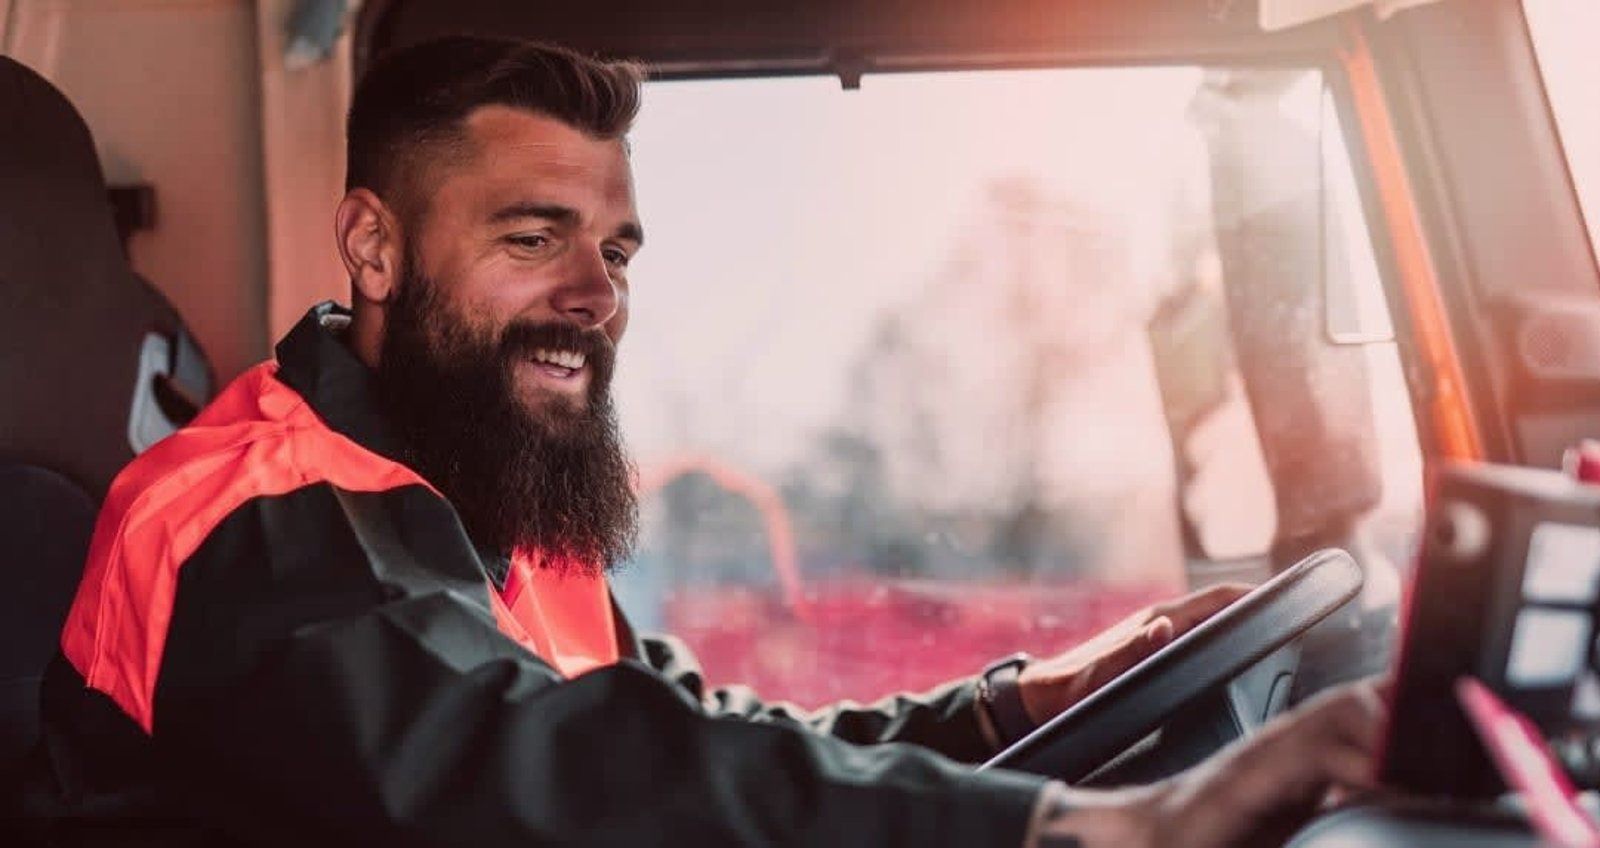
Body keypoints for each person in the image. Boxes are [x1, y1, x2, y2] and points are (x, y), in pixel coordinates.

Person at [25, 36, 1385, 848]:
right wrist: (1070, 829)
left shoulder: (482, 482)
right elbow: (529, 765)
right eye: (531, 237)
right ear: (376, 248)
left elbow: (687, 736)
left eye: (613, 249)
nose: (597, 295)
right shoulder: (241, 521)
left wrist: (1015, 706)